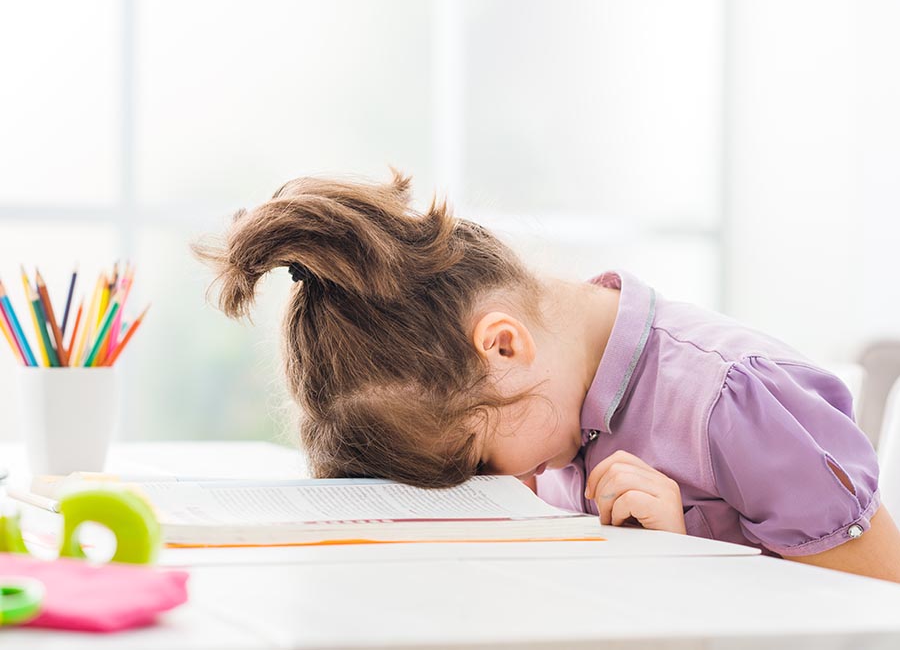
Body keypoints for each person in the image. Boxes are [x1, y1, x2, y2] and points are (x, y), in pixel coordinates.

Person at [193, 169, 900, 582]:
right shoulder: (558, 411)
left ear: (503, 346)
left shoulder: (729, 397)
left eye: (475, 458)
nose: (498, 483)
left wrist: (690, 550)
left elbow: (882, 588)